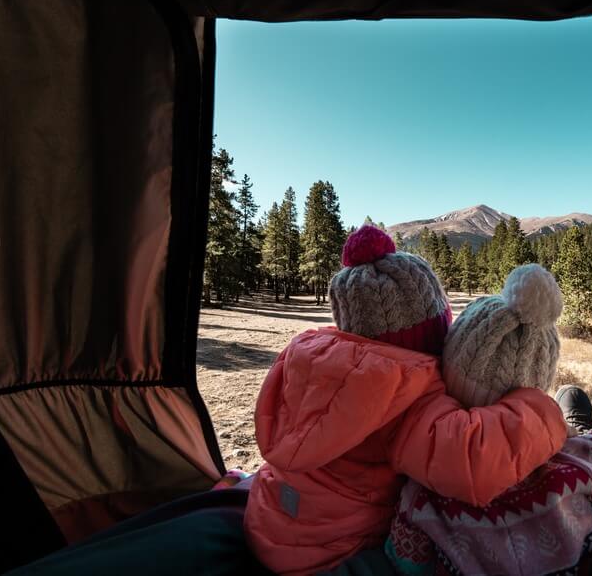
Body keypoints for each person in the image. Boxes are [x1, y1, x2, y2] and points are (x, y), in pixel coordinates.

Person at [243, 226, 568, 575]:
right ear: (429, 333)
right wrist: (540, 409)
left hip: (265, 516)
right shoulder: (402, 394)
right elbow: (472, 461)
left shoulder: (311, 356)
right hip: (323, 552)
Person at [386, 264, 592, 575]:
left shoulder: (423, 485)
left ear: (449, 372)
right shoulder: (579, 460)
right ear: (538, 386)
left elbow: (406, 562)